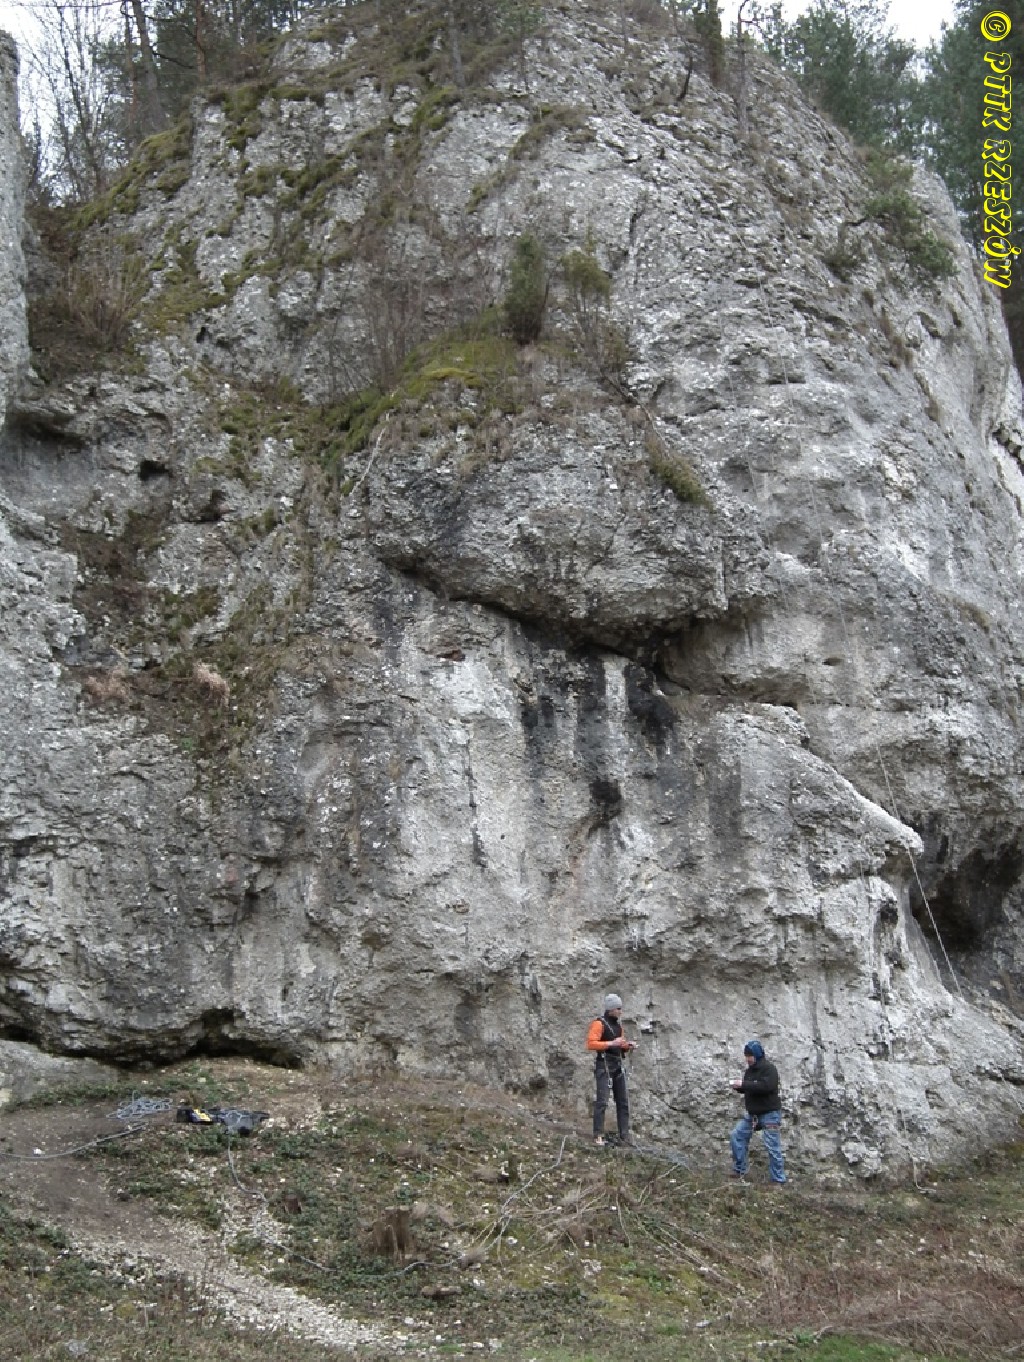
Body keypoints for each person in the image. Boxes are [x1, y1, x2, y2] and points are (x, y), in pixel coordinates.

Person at [729, 1039, 787, 1185]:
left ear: (757, 1055)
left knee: (772, 1147)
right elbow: (751, 1087)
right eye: (746, 1056)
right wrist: (740, 1088)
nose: (747, 1059)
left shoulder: (769, 1069)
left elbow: (766, 1086)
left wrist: (744, 1084)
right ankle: (740, 1170)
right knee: (737, 1136)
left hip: (770, 1114)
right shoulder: (749, 1072)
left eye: (750, 1056)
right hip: (752, 1115)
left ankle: (778, 1180)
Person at [587, 993, 637, 1146]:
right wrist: (611, 1043)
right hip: (604, 1065)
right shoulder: (599, 1024)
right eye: (618, 1008)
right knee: (602, 1101)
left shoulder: (618, 1027)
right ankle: (598, 1135)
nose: (620, 1011)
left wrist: (627, 1046)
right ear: (611, 1009)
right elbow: (591, 1043)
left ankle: (624, 1136)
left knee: (623, 1101)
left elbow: (619, 1045)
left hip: (617, 1065)